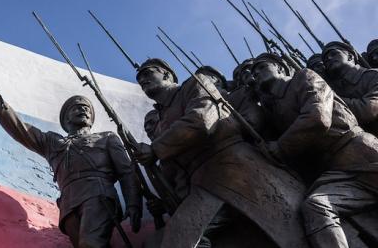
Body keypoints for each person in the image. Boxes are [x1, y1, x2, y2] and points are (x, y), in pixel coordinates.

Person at [134, 58, 307, 248]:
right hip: (201, 184)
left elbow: (201, 120)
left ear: (166, 74)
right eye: (139, 78)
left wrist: (155, 149)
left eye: (147, 73)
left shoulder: (195, 83)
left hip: (235, 169)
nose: (142, 80)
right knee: (180, 238)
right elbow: (172, 167)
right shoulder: (160, 122)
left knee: (291, 230)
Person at [0, 79, 142, 248]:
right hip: (69, 205)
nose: (83, 109)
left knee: (91, 244)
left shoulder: (107, 138)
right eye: (77, 107)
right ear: (66, 118)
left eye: (86, 108)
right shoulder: (52, 142)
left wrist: (134, 204)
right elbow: (21, 129)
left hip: (98, 195)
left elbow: (126, 172)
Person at [250, 53, 378, 248]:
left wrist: (280, 147)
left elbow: (317, 118)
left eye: (262, 67)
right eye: (254, 72)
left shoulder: (304, 77)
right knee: (316, 206)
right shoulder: (274, 110)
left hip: (361, 152)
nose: (256, 74)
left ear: (281, 68)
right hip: (339, 171)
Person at [322, 41, 378, 136]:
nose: (329, 58)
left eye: (334, 54)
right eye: (325, 59)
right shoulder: (336, 90)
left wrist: (330, 99)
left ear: (350, 57)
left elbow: (368, 110)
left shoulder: (373, 76)